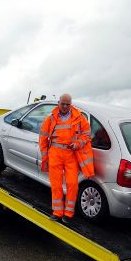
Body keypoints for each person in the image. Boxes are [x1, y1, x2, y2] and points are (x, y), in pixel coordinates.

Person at [39, 93, 95, 223]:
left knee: (72, 184)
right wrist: (45, 158)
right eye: (62, 104)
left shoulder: (79, 118)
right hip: (55, 153)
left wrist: (78, 144)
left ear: (71, 104)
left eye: (67, 104)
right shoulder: (51, 118)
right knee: (56, 185)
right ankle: (57, 212)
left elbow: (87, 135)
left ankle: (68, 213)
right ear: (58, 103)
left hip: (71, 154)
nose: (65, 106)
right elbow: (42, 138)